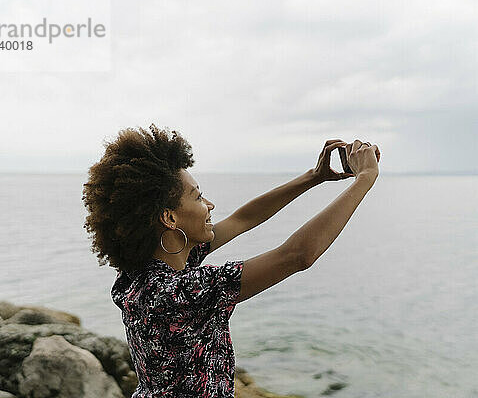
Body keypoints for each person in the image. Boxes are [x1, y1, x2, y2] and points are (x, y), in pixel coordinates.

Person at [82, 124, 380, 398]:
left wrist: (313, 177)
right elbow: (297, 255)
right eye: (198, 198)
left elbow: (243, 218)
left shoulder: (142, 276)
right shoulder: (180, 293)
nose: (210, 205)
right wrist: (365, 179)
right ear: (170, 218)